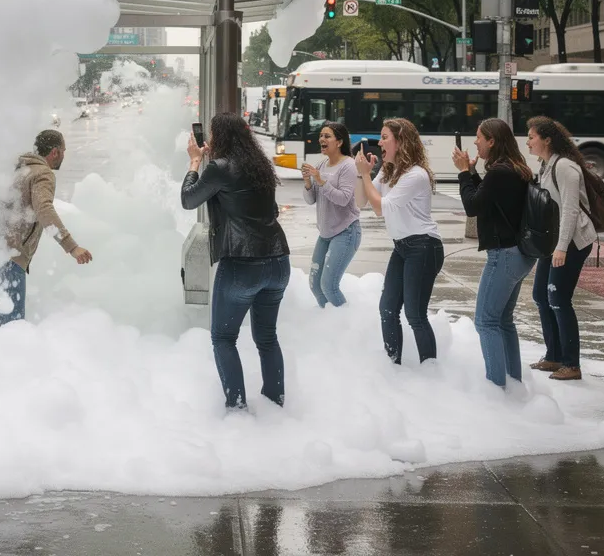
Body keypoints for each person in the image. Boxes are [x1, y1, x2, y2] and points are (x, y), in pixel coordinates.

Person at [181, 113, 291, 409]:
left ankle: (238, 407)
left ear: (222, 137)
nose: (210, 140)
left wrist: (194, 163)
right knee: (267, 338)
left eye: (213, 134)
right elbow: (272, 211)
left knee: (223, 338)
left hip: (242, 264)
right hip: (278, 261)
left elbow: (189, 199)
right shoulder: (260, 167)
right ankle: (275, 404)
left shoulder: (219, 167)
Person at [0, 129, 93, 326]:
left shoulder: (19, 167)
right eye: (64, 151)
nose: (64, 155)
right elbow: (44, 210)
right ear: (54, 152)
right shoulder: (42, 173)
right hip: (6, 252)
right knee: (11, 324)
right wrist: (71, 246)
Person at [454, 118, 536, 388]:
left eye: (479, 137)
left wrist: (464, 173)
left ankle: (496, 388)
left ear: (492, 141)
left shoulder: (500, 172)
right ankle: (514, 383)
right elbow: (492, 200)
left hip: (503, 255)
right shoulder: (516, 168)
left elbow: (473, 206)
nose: (475, 141)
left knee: (486, 322)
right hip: (520, 254)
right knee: (503, 321)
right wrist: (475, 174)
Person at [355, 118, 443, 365]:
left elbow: (383, 209)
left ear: (401, 141)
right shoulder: (388, 170)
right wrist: (363, 174)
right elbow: (362, 202)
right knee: (387, 308)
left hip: (424, 246)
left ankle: (431, 371)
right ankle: (393, 366)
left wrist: (364, 175)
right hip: (403, 246)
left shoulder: (416, 175)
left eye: (384, 137)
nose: (379, 142)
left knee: (415, 314)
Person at [525, 116, 597, 381]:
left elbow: (569, 210)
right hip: (554, 242)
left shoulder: (565, 167)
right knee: (541, 296)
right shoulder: (546, 165)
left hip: (572, 243)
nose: (528, 141)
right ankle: (553, 356)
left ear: (547, 139)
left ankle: (571, 364)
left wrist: (562, 248)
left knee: (558, 299)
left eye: (532, 137)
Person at [301, 121, 361, 309]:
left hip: (346, 232)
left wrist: (320, 179)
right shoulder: (322, 164)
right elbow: (311, 200)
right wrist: (308, 182)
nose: (321, 139)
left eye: (327, 136)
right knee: (315, 285)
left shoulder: (349, 166)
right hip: (325, 233)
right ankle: (329, 323)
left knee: (329, 285)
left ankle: (345, 324)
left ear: (339, 142)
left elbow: (343, 199)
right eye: (321, 136)